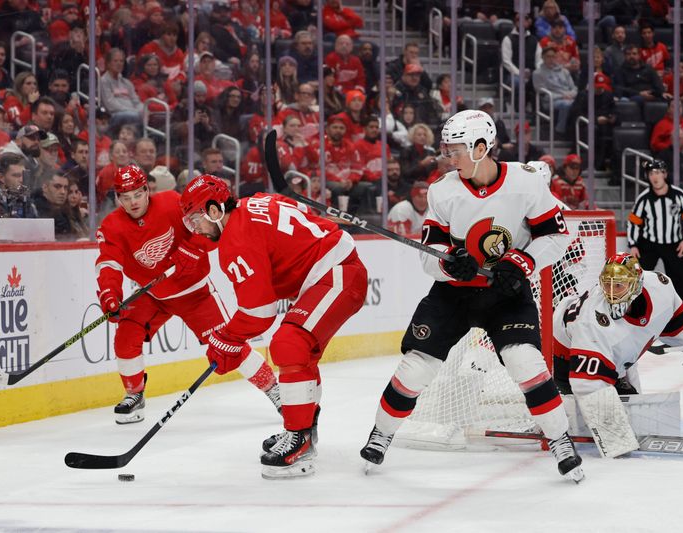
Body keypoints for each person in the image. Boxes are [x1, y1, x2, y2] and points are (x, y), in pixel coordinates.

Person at [358, 109, 584, 483]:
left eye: (457, 149)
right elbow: (428, 253)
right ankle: (381, 434)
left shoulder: (526, 184)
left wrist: (522, 261)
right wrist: (449, 264)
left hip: (506, 294)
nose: (450, 157)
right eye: (447, 150)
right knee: (417, 367)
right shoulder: (443, 189)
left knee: (525, 362)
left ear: (482, 147)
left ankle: (560, 440)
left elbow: (557, 237)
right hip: (453, 296)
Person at [179, 174, 368, 479]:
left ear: (215, 211)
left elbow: (259, 313)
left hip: (338, 274)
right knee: (299, 351)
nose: (195, 229)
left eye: (195, 220)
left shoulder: (235, 240)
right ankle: (302, 429)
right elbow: (294, 212)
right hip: (331, 272)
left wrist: (226, 338)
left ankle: (300, 439)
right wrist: (229, 338)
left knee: (289, 343)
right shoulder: (254, 202)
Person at [95, 165, 281, 424]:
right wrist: (109, 293)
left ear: (147, 189)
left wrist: (194, 250)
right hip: (152, 295)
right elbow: (108, 263)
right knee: (126, 336)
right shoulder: (112, 225)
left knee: (228, 345)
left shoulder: (172, 202)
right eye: (125, 198)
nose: (132, 202)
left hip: (194, 294)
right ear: (118, 198)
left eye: (137, 194)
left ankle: (275, 390)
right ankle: (134, 395)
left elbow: (208, 225)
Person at [552, 253, 683, 412]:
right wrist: (615, 437)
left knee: (633, 412)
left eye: (619, 285)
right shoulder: (592, 321)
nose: (612, 292)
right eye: (607, 284)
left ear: (637, 285)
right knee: (573, 416)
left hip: (615, 358)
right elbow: (587, 387)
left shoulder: (660, 287)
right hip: (564, 356)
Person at [627, 159, 683, 308]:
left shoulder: (678, 195)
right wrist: (633, 244)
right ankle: (638, 313)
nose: (654, 177)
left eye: (658, 172)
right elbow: (633, 221)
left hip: (674, 244)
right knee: (638, 280)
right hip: (649, 245)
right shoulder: (644, 198)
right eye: (651, 173)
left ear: (665, 174)